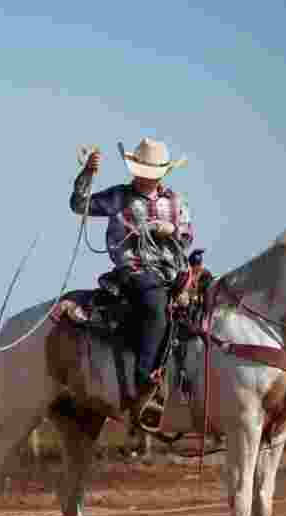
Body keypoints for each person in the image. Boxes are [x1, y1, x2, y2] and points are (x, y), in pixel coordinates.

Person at [70, 137, 194, 431]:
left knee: (204, 305)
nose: (145, 177)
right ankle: (144, 386)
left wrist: (172, 230)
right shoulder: (118, 197)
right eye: (142, 171)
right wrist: (87, 173)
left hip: (172, 270)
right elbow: (79, 205)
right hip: (134, 269)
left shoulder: (174, 200)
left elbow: (188, 236)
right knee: (155, 307)